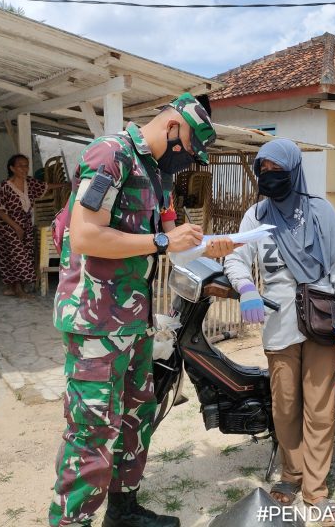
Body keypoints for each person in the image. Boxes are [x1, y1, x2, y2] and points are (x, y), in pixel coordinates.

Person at [48, 93, 238, 527]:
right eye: (190, 148)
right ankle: (69, 522)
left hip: (134, 319)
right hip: (94, 322)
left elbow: (175, 239)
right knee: (92, 428)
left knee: (138, 415)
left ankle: (124, 511)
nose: (188, 159)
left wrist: (213, 246)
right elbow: (85, 235)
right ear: (173, 129)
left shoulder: (158, 176)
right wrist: (162, 243)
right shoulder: (109, 155)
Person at [223, 139, 335, 524]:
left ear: (293, 170)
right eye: (262, 170)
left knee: (318, 408)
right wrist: (246, 287)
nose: (269, 177)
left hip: (319, 321)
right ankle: (291, 474)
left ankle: (315, 491)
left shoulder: (320, 213)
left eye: (276, 170)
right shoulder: (256, 217)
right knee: (284, 406)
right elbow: (236, 256)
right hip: (279, 325)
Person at [0, 154, 63, 297]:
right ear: (12, 168)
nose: (24, 169)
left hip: (25, 224)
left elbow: (47, 186)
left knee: (24, 254)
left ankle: (14, 288)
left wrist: (67, 184)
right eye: (20, 166)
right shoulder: (4, 186)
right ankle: (20, 290)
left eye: (26, 165)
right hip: (7, 226)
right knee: (17, 256)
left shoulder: (30, 183)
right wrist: (16, 227)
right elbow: (0, 211)